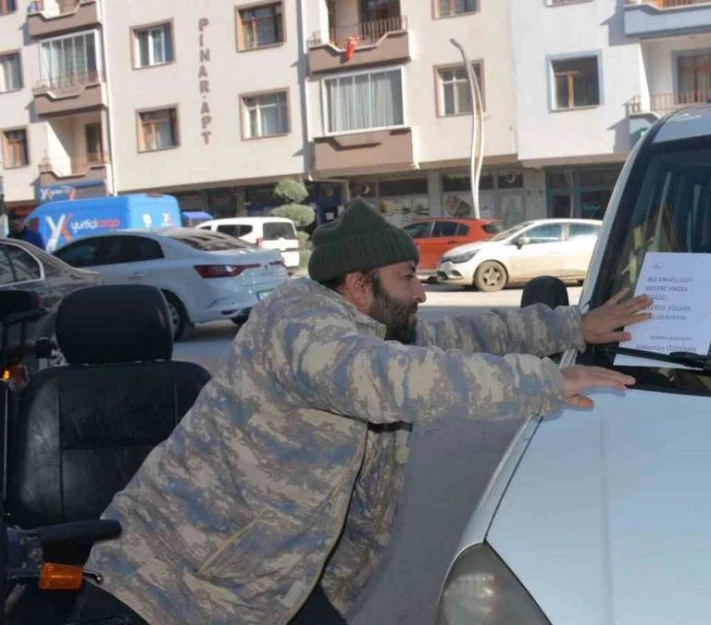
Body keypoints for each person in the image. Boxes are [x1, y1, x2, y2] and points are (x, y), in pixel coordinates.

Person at [67, 198, 651, 625]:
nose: (421, 291)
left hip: (270, 581)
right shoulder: (300, 326)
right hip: (165, 589)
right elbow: (386, 380)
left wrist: (572, 325)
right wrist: (545, 381)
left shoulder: (363, 326)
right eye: (407, 278)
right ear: (356, 283)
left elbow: (465, 335)